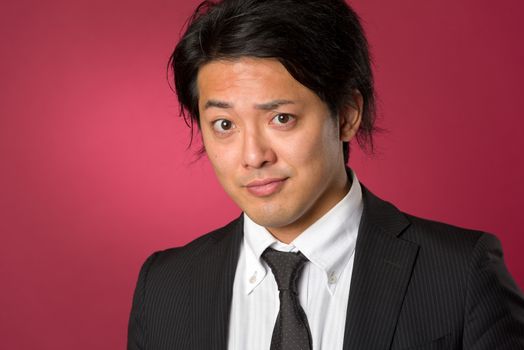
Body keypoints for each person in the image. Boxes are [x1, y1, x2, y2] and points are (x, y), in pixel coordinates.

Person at [127, 0, 524, 349]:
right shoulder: (165, 287)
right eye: (224, 125)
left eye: (281, 118)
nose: (253, 156)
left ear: (347, 115)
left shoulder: (460, 274)